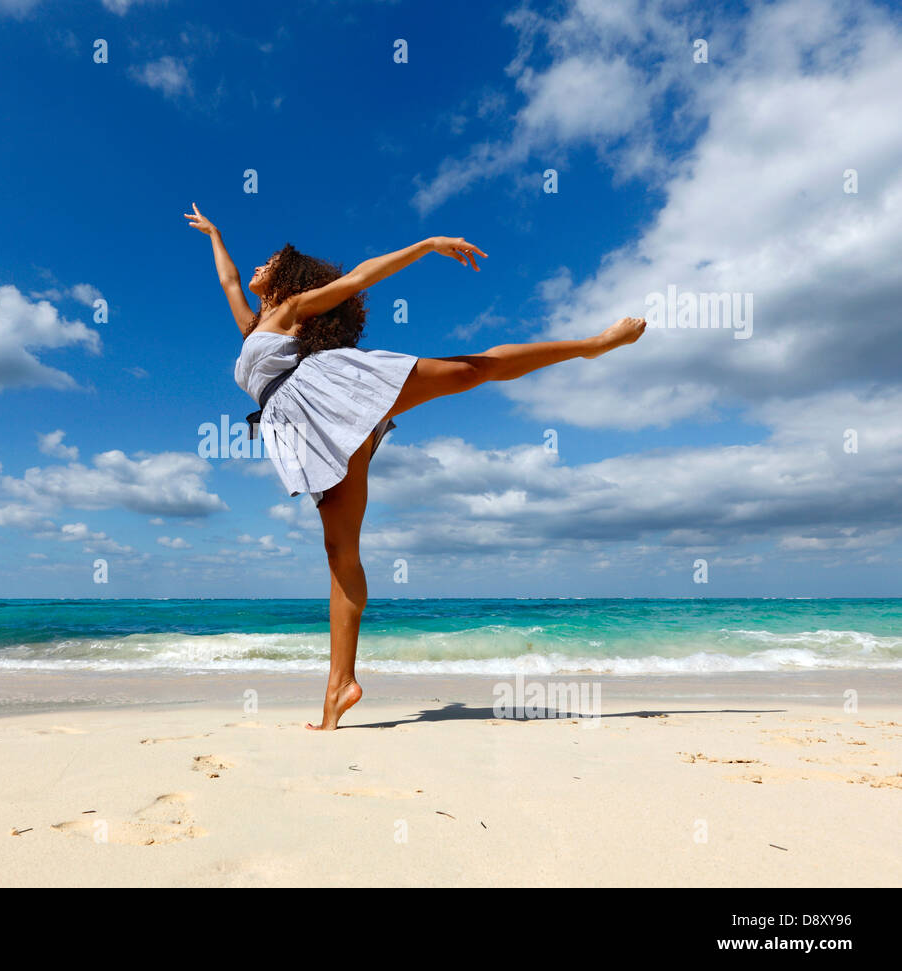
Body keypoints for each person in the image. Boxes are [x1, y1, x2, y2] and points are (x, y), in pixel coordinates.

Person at [186, 203, 645, 729]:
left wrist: (427, 245)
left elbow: (360, 276)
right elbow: (229, 281)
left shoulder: (291, 309)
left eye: (269, 261)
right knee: (339, 553)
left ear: (288, 277)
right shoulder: (253, 327)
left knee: (469, 369)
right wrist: (216, 234)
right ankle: (339, 688)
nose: (257, 267)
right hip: (303, 424)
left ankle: (591, 345)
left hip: (329, 390)